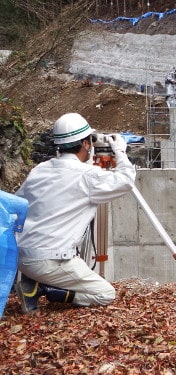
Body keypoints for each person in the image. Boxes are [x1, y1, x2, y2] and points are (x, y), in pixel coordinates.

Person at [15, 113, 136, 314]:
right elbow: (126, 180)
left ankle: (33, 280)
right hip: (49, 261)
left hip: (22, 257)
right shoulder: (88, 177)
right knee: (105, 294)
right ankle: (42, 289)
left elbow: (19, 203)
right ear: (86, 144)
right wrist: (120, 151)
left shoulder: (40, 169)